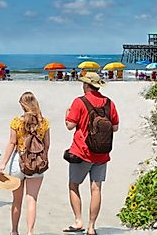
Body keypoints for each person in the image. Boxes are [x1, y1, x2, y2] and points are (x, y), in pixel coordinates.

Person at [64, 72, 119, 235]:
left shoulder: (79, 102)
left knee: (73, 185)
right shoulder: (109, 103)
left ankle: (78, 220)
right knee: (96, 189)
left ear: (87, 85)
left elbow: (70, 125)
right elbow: (115, 127)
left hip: (82, 151)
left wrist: (67, 114)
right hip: (102, 153)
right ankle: (91, 226)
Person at [0, 92, 50, 235]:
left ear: (22, 105)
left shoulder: (16, 121)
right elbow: (47, 145)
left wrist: (3, 164)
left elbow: (12, 143)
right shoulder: (43, 122)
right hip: (37, 163)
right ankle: (30, 232)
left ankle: (14, 231)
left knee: (16, 201)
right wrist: (43, 159)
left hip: (18, 162)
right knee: (32, 200)